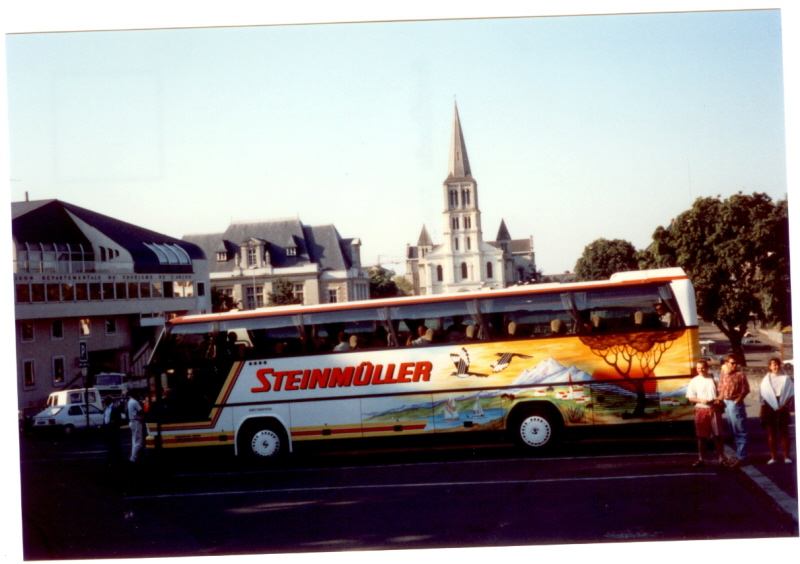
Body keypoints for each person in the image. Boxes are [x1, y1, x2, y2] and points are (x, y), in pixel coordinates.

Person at [686, 360, 730, 467]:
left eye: (703, 367)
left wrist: (718, 399)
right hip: (701, 410)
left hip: (714, 410)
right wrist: (701, 400)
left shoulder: (715, 378)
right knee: (701, 437)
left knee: (718, 435)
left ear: (707, 367)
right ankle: (701, 459)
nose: (701, 370)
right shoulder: (694, 381)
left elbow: (723, 392)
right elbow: (690, 397)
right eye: (698, 368)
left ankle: (721, 458)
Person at [717, 353, 750, 467]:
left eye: (736, 363)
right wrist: (718, 400)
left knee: (740, 431)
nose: (735, 365)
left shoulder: (740, 375)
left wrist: (737, 401)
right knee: (733, 430)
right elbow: (721, 391)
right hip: (726, 403)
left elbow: (745, 390)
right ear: (726, 363)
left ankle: (742, 458)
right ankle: (739, 456)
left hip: (735, 403)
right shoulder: (724, 375)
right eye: (732, 363)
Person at [759, 358, 794, 464]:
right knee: (771, 433)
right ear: (770, 366)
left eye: (777, 364)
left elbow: (791, 394)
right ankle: (773, 457)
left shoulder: (786, 378)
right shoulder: (766, 379)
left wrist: (785, 405)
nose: (776, 367)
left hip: (783, 405)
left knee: (784, 432)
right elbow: (762, 396)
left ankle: (786, 457)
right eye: (773, 365)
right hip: (769, 406)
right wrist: (761, 411)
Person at [127, 389, 146, 463]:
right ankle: (133, 458)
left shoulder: (130, 401)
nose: (139, 394)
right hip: (137, 422)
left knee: (135, 441)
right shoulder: (135, 402)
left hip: (133, 421)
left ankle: (133, 457)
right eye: (138, 393)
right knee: (139, 442)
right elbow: (141, 411)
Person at [102, 395, 123, 463]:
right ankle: (111, 457)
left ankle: (118, 458)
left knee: (115, 443)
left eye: (106, 401)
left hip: (113, 428)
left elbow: (118, 419)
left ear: (110, 401)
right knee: (110, 443)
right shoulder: (106, 408)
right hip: (107, 428)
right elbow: (106, 417)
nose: (105, 402)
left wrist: (114, 425)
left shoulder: (114, 408)